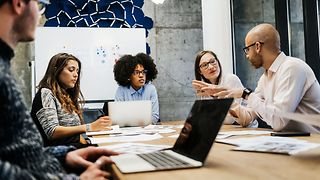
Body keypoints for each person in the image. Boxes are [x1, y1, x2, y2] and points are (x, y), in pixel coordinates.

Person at [0, 0, 118, 179]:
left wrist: (63, 156)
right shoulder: (43, 92)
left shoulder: (4, 67)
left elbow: (19, 153)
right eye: (40, 5)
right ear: (18, 4)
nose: (40, 15)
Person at [199, 23, 320, 133]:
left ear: (257, 47)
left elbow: (279, 121)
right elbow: (247, 118)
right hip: (292, 141)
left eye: (247, 49)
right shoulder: (265, 78)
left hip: (313, 143)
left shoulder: (291, 68)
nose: (246, 55)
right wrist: (226, 98)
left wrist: (245, 94)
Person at [31, 53, 112, 147]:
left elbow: (74, 134)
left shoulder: (66, 96)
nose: (75, 75)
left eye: (77, 71)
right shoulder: (46, 93)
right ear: (56, 70)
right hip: (58, 153)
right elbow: (52, 131)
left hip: (72, 148)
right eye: (71, 70)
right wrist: (90, 127)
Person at [191, 50, 257, 126]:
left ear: (218, 61)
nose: (211, 67)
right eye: (205, 65)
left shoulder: (231, 79)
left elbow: (230, 119)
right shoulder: (203, 87)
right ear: (200, 71)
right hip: (226, 130)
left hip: (246, 128)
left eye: (212, 61)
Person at [113, 53, 160, 124]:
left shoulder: (151, 89)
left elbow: (155, 117)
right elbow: (118, 119)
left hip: (147, 131)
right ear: (128, 76)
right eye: (136, 72)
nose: (141, 75)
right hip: (127, 132)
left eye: (143, 72)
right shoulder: (121, 91)